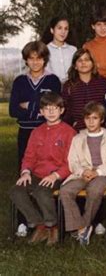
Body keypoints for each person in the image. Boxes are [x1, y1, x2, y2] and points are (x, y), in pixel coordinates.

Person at [9, 92, 76, 246]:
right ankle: (39, 224)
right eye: (47, 109)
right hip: (37, 174)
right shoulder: (36, 132)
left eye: (55, 108)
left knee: (41, 191)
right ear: (41, 112)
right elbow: (29, 156)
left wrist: (56, 175)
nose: (51, 112)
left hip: (58, 175)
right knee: (16, 190)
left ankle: (53, 226)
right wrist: (25, 172)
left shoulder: (69, 132)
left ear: (62, 110)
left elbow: (71, 162)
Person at [60, 102, 106, 245]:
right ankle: (81, 227)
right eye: (88, 118)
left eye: (95, 118)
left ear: (102, 120)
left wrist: (97, 171)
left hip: (104, 174)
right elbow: (72, 161)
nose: (91, 122)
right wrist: (83, 171)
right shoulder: (78, 138)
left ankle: (84, 225)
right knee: (65, 190)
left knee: (94, 189)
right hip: (83, 173)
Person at [10, 41, 61, 167]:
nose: (35, 62)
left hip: (47, 128)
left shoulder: (53, 80)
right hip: (25, 131)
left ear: (45, 59)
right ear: (26, 60)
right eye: (31, 58)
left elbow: (54, 108)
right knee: (25, 164)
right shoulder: (19, 81)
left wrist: (27, 105)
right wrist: (39, 106)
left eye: (39, 58)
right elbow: (13, 110)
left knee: (47, 163)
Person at [62, 49, 106, 131]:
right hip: (76, 131)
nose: (83, 63)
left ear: (92, 63)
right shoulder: (69, 85)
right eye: (80, 60)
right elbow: (65, 109)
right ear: (75, 66)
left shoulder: (103, 82)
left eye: (87, 60)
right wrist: (71, 125)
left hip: (100, 130)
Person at [41, 16, 77, 82]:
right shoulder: (44, 49)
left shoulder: (73, 50)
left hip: (71, 88)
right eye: (59, 28)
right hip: (51, 88)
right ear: (52, 30)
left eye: (66, 29)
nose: (63, 32)